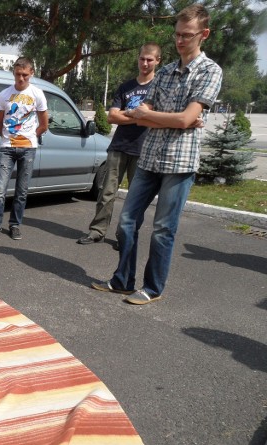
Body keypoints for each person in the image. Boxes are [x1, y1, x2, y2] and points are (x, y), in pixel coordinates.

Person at [92, 4, 222, 305]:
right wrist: (168, 116)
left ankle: (152, 288)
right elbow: (144, 115)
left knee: (163, 229)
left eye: (187, 36)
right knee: (126, 221)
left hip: (179, 162)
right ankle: (123, 280)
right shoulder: (164, 72)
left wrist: (164, 117)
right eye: (176, 34)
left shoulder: (210, 71)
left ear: (204, 34)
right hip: (150, 157)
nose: (180, 41)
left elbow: (186, 119)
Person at [77, 42, 162, 246]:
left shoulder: (159, 88)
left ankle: (126, 236)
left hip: (143, 149)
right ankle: (97, 231)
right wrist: (138, 115)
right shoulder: (126, 87)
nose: (145, 63)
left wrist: (131, 115)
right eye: (142, 58)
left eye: (150, 59)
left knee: (136, 198)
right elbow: (112, 117)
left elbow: (155, 119)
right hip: (119, 146)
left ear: (157, 61)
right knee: (106, 192)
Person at [0, 57, 48, 242]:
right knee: (0, 190)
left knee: (22, 191)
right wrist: (6, 137)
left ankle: (15, 225)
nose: (21, 79)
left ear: (31, 73)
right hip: (7, 148)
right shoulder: (4, 95)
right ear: (13, 72)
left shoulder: (37, 94)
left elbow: (44, 124)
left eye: (25, 75)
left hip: (28, 149)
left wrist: (30, 137)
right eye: (18, 74)